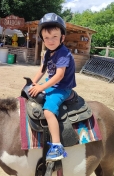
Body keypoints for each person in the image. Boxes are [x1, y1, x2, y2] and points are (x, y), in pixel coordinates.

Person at [28, 13, 76, 161]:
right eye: (47, 38)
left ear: (62, 37)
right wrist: (33, 83)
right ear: (42, 39)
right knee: (30, 95)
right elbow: (42, 70)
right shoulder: (49, 52)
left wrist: (41, 87)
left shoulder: (63, 53)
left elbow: (59, 75)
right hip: (51, 82)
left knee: (48, 111)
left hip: (62, 87)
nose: (50, 41)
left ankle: (56, 146)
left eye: (55, 36)